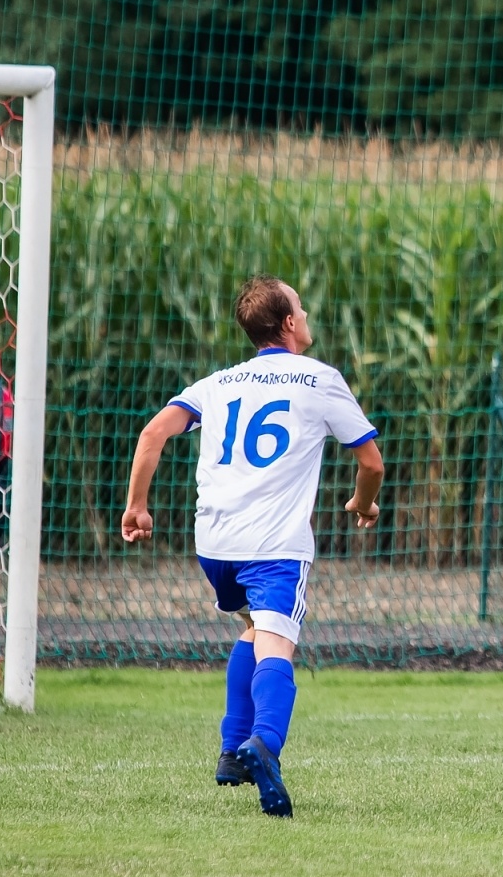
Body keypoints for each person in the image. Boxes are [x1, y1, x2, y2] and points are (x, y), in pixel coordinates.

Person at [121, 275, 384, 818]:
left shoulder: (218, 383)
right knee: (277, 646)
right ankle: (263, 745)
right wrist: (362, 503)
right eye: (302, 308)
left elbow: (153, 434)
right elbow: (372, 463)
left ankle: (231, 750)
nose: (307, 315)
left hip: (214, 542)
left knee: (250, 627)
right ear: (288, 323)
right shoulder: (319, 379)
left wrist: (137, 506)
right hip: (275, 544)